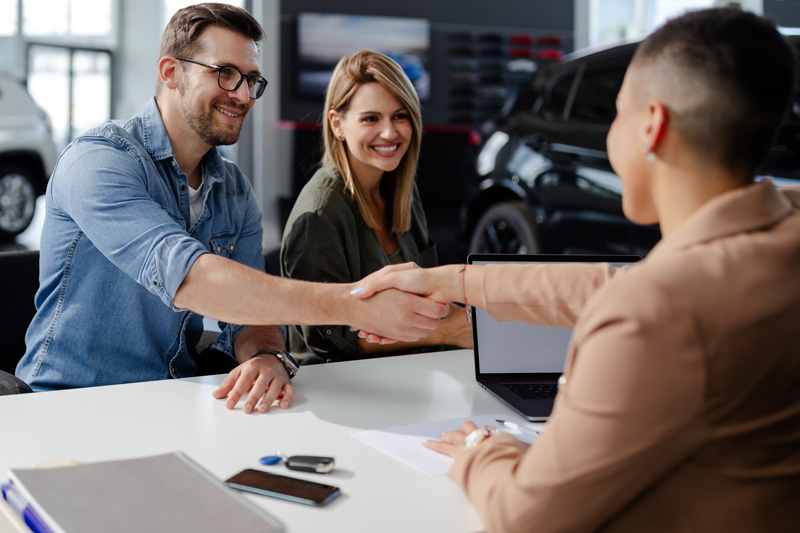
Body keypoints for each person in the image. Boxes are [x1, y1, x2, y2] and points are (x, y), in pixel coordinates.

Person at [354, 8, 800, 531]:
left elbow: (528, 515)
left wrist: (481, 449)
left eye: (616, 114)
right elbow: (619, 282)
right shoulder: (780, 232)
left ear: (651, 126)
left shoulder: (657, 314)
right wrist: (453, 280)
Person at [8, 4, 447, 409]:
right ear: (171, 72)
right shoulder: (99, 161)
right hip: (66, 405)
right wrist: (355, 306)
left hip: (169, 398)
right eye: (225, 73)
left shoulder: (233, 187)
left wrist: (266, 356)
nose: (242, 95)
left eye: (251, 79)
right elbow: (192, 279)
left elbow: (253, 318)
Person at [280, 50, 471, 362]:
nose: (390, 133)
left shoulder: (401, 190)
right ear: (337, 124)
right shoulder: (318, 215)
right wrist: (450, 331)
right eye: (371, 118)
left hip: (412, 372)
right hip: (345, 389)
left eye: (400, 115)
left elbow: (431, 293)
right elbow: (329, 341)